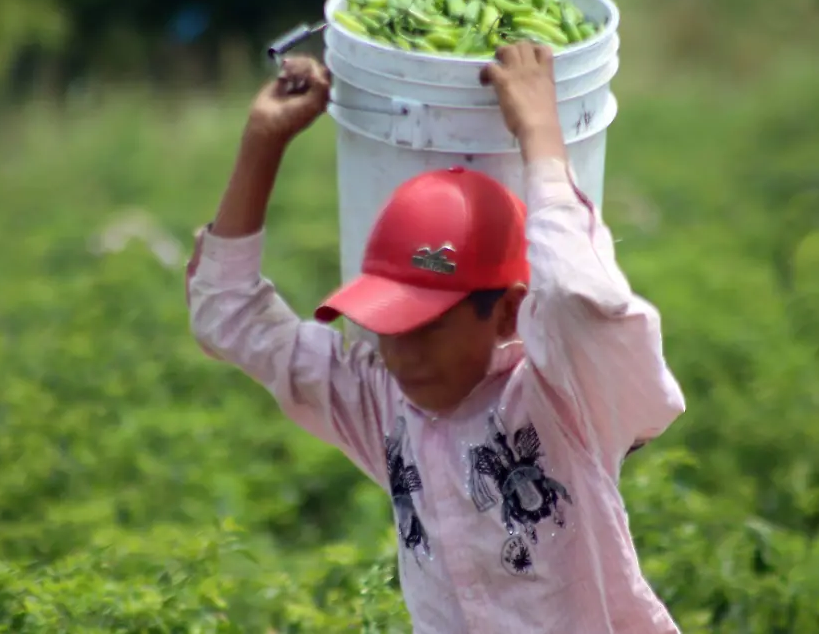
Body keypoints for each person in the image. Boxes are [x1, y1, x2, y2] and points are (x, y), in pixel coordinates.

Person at [185, 41, 686, 633]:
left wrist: (540, 135)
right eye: (388, 326)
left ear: (508, 313)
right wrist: (262, 143)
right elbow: (228, 315)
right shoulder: (382, 406)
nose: (402, 355)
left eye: (428, 327)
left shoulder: (562, 399)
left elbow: (582, 294)